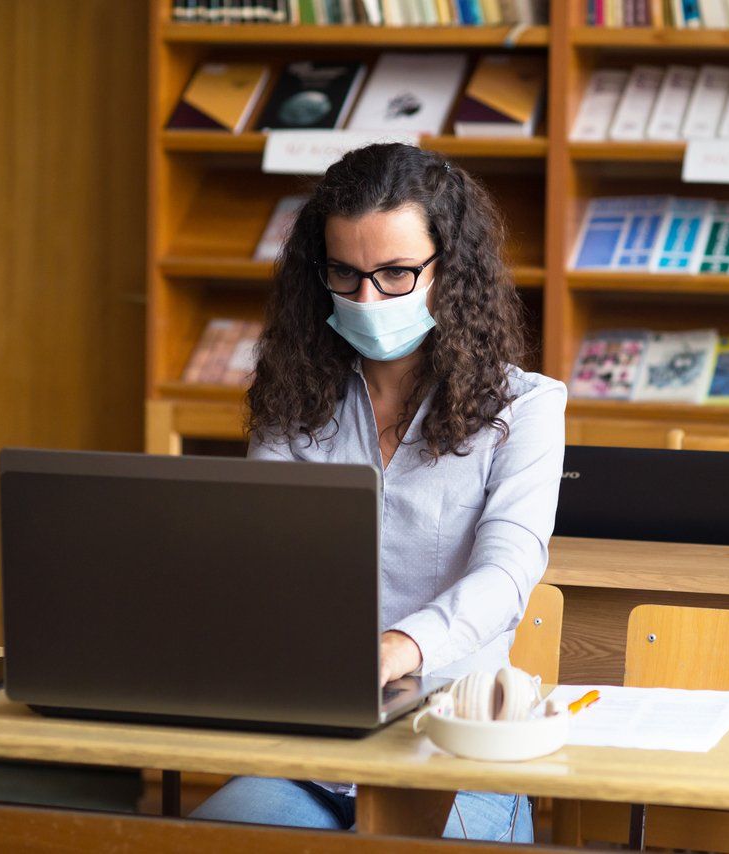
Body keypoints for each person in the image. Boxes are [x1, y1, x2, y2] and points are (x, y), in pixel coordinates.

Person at [189, 143, 566, 843]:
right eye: (345, 274)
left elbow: (508, 573)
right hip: (309, 748)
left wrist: (399, 646)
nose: (367, 299)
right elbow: (259, 561)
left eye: (395, 274)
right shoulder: (293, 402)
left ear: (450, 269)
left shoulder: (527, 408)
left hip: (456, 747)